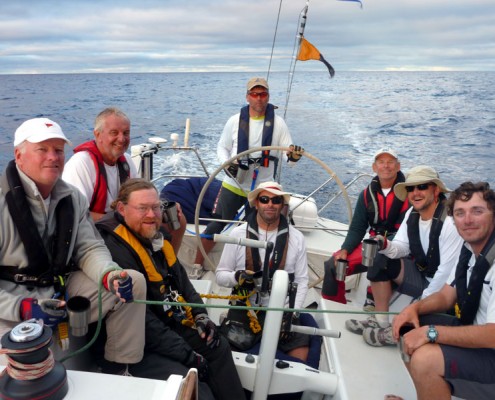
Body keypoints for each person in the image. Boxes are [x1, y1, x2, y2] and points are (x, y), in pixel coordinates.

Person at [0, 117, 147, 375]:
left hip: (59, 289)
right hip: (11, 301)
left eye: (58, 150)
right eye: (42, 149)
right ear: (19, 156)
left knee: (132, 282)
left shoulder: (72, 197)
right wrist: (22, 307)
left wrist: (109, 274)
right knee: (22, 370)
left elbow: (89, 248)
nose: (53, 157)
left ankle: (118, 369)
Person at [96, 178, 246, 400]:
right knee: (194, 386)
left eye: (155, 207)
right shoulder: (114, 250)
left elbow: (183, 282)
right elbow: (144, 322)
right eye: (142, 208)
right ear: (121, 209)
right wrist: (188, 355)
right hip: (137, 344)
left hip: (167, 325)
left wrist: (201, 315)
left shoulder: (155, 239)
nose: (151, 215)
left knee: (218, 347)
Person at [391, 182, 495, 400]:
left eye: (477, 211)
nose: (468, 220)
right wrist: (414, 309)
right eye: (460, 213)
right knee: (409, 326)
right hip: (478, 335)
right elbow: (447, 295)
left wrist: (430, 333)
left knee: (425, 360)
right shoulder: (469, 251)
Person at [193, 77, 304, 277]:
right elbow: (222, 147)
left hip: (263, 190)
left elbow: (289, 159)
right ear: (247, 97)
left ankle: (265, 273)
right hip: (234, 184)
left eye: (263, 94)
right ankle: (197, 265)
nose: (259, 98)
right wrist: (227, 164)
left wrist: (293, 156)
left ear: (268, 97)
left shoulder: (279, 124)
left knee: (264, 230)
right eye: (254, 94)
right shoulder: (234, 121)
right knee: (215, 224)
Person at [346, 165, 464, 346]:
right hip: (422, 276)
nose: (415, 193)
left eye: (422, 186)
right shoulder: (412, 213)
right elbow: (401, 247)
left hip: (445, 290)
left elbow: (445, 273)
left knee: (425, 313)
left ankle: (395, 333)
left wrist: (419, 304)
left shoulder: (450, 222)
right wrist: (384, 244)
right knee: (379, 258)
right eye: (410, 188)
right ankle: (380, 321)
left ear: (436, 190)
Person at [62, 107, 186, 253]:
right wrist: (122, 221)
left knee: (177, 221)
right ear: (98, 134)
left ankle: (168, 264)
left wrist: (162, 207)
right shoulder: (81, 164)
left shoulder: (125, 161)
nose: (121, 139)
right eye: (114, 133)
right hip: (96, 232)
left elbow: (141, 196)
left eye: (126, 133)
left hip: (122, 221)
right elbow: (76, 215)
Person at [216, 181, 311, 363]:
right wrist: (237, 277)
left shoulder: (297, 238)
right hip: (245, 306)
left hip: (281, 308)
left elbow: (301, 280)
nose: (270, 204)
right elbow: (220, 275)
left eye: (276, 200)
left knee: (301, 349)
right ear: (256, 203)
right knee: (225, 354)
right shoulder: (238, 234)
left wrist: (291, 312)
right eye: (265, 199)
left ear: (282, 205)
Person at [321, 148, 409, 309]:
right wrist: (345, 249)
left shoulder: (409, 193)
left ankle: (373, 295)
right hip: (372, 245)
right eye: (381, 162)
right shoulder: (366, 195)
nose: (386, 166)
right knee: (333, 264)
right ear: (374, 167)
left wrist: (385, 243)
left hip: (399, 246)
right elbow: (357, 227)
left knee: (379, 259)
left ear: (398, 167)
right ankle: (334, 308)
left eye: (390, 162)